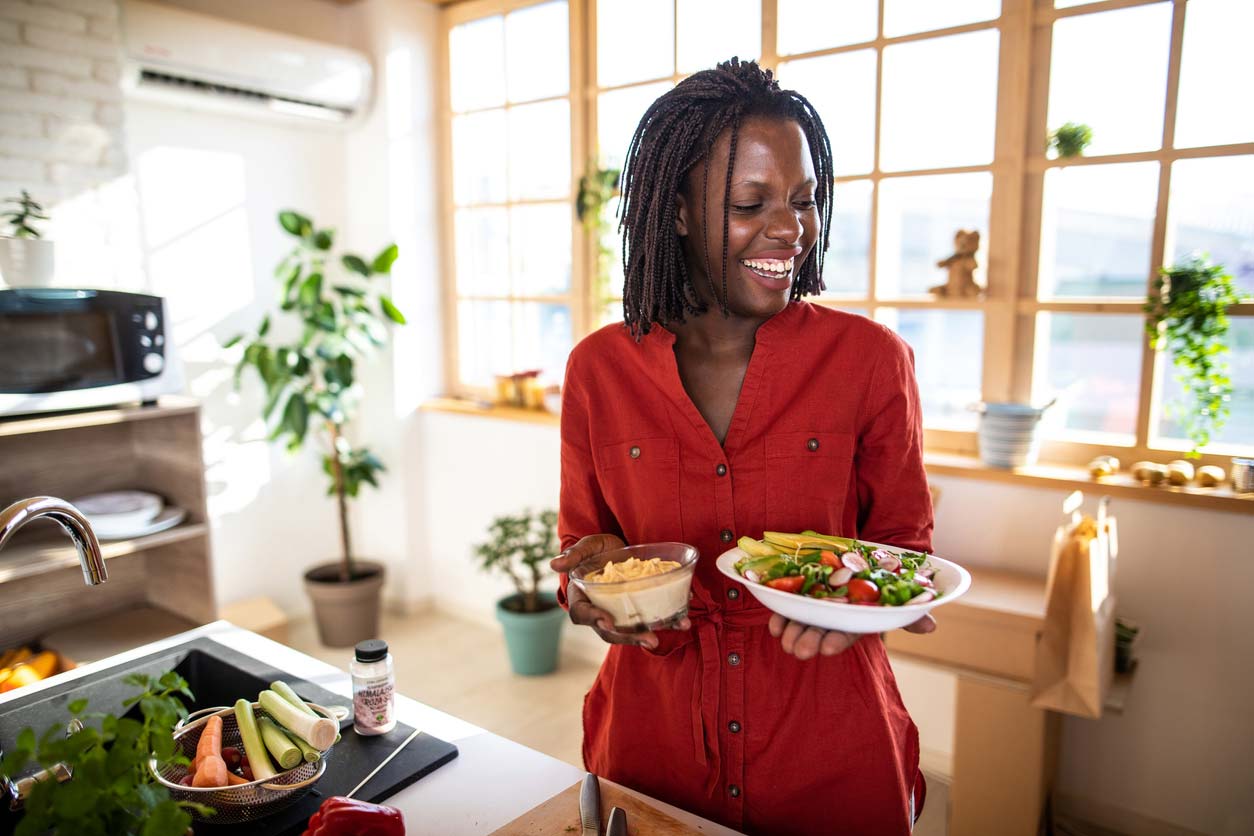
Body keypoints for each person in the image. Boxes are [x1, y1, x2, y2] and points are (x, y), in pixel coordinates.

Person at [549, 58, 935, 836]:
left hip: (828, 745)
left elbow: (905, 550)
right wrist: (590, 591)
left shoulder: (870, 361)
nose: (790, 228)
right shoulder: (600, 369)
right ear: (681, 212)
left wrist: (857, 611)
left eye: (804, 200)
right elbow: (585, 548)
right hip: (653, 746)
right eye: (750, 202)